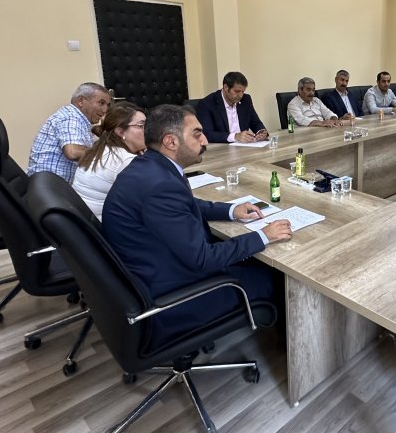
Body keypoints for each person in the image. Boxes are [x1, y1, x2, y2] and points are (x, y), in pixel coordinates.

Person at [101, 104, 292, 347]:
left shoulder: (151, 167)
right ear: (171, 141)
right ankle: (291, 352)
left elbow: (186, 205)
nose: (205, 141)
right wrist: (264, 235)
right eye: (197, 134)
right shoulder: (159, 184)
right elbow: (203, 258)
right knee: (277, 274)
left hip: (150, 271)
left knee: (248, 255)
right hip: (173, 294)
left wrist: (230, 210)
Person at [72, 102, 146, 220]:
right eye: (141, 126)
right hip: (105, 224)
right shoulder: (125, 160)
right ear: (120, 132)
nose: (148, 131)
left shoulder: (101, 148)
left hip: (85, 220)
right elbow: (147, 200)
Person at [27, 82, 111, 183]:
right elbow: (73, 152)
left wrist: (97, 131)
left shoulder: (75, 117)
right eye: (101, 103)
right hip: (50, 187)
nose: (105, 110)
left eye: (107, 105)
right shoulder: (71, 118)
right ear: (81, 101)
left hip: (51, 184)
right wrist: (108, 154)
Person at [195, 71, 268, 143]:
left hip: (245, 146)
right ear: (226, 87)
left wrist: (261, 132)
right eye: (237, 91)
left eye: (243, 91)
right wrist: (235, 137)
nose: (240, 95)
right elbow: (207, 134)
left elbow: (256, 122)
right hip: (222, 148)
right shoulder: (207, 103)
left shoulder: (246, 99)